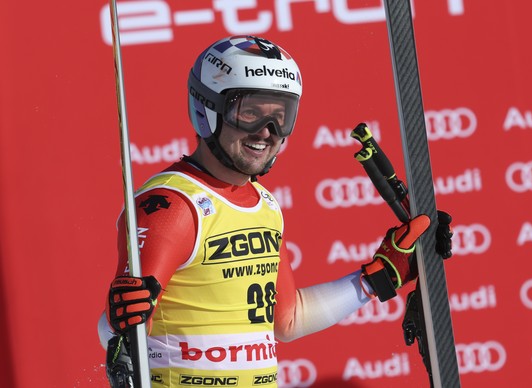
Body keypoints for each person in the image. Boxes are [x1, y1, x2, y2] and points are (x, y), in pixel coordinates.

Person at [97, 35, 453, 387]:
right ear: (208, 109)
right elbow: (120, 332)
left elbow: (288, 320)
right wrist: (118, 322)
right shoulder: (173, 205)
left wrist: (381, 277)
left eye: (281, 117)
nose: (267, 133)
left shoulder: (264, 205)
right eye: (250, 113)